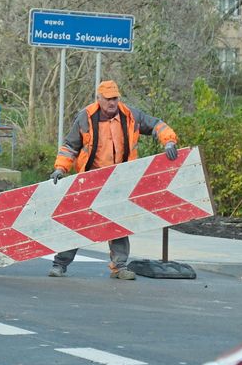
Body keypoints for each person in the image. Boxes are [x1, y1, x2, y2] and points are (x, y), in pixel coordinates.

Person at [47, 80, 180, 280]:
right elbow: (70, 146)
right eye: (108, 99)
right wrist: (60, 168)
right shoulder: (85, 117)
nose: (112, 102)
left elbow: (157, 125)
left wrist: (169, 141)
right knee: (78, 223)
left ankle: (119, 267)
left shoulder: (131, 115)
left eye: (115, 98)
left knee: (117, 222)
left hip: (119, 179)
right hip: (91, 179)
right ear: (99, 99)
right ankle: (60, 264)